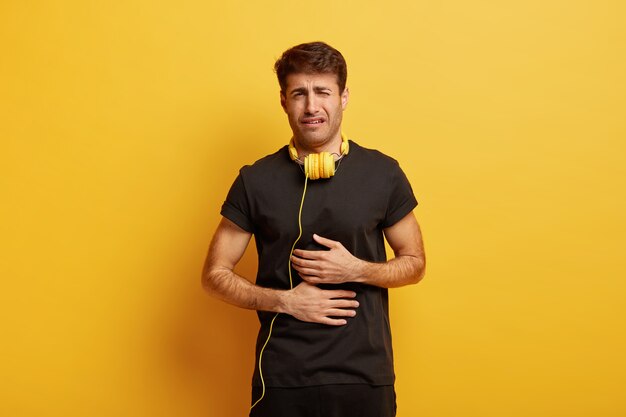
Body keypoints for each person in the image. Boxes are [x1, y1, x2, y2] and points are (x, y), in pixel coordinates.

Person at [202, 41, 426, 417]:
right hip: (282, 378)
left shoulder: (383, 173)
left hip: (364, 377)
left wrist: (358, 269)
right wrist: (286, 301)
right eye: (299, 94)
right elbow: (213, 275)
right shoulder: (254, 181)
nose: (311, 106)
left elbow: (415, 263)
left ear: (343, 97)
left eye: (323, 92)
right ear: (283, 100)